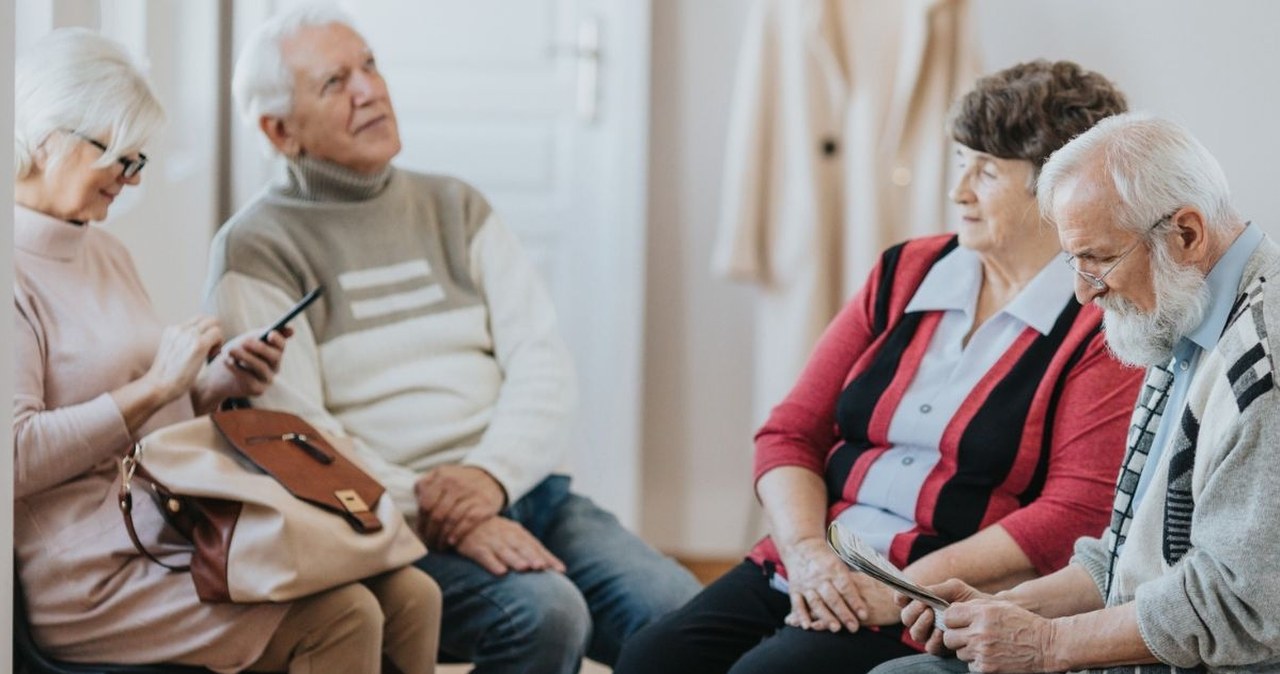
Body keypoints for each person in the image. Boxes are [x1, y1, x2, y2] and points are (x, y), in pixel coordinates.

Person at [204, 5, 702, 672]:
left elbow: (542, 363)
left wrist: (490, 479)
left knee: (676, 611)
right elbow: (299, 437)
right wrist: (446, 512)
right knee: (546, 613)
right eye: (334, 82)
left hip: (519, 487)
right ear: (279, 129)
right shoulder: (257, 246)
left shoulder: (455, 206)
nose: (369, 90)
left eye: (370, 65)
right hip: (388, 524)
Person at [614, 60, 1142, 674]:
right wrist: (808, 553)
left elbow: (1072, 514)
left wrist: (902, 588)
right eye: (960, 159)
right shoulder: (906, 271)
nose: (959, 190)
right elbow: (790, 434)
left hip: (941, 593)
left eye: (987, 170)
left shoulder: (1099, 322)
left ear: (1059, 187)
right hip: (818, 559)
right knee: (650, 658)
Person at [13, 28, 441, 674]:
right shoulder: (12, 277)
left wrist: (209, 383)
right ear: (50, 140)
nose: (128, 181)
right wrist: (157, 385)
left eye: (138, 162)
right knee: (344, 618)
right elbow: (14, 456)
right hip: (90, 577)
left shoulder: (104, 250)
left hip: (176, 529)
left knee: (414, 595)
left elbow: (153, 425)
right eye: (120, 157)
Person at [868, 114, 1280, 674]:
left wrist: (1046, 645)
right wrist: (1008, 611)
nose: (1084, 292)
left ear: (1186, 233)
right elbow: (1128, 553)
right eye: (1073, 259)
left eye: (1098, 258)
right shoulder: (1184, 311)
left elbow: (1243, 605)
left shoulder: (1263, 356)